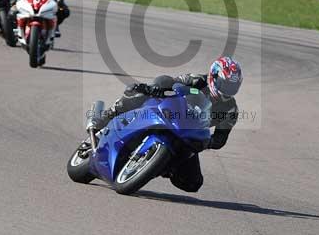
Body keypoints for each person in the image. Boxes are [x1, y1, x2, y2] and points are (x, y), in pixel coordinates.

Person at [87, 56, 243, 193]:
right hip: (168, 113)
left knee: (193, 183)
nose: (228, 90)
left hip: (188, 133)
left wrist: (209, 141)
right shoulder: (197, 80)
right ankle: (105, 117)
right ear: (213, 76)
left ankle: (161, 165)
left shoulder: (230, 109)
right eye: (225, 84)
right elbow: (170, 82)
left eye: (232, 87)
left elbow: (221, 139)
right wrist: (156, 88)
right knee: (137, 92)